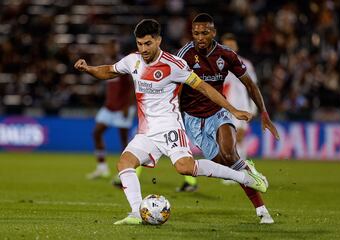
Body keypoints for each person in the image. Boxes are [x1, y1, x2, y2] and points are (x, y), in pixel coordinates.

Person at [74, 19, 268, 225]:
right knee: (124, 163)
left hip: (170, 128)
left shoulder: (174, 65)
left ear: (158, 40)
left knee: (185, 168)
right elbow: (109, 70)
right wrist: (89, 69)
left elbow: (204, 88)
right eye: (140, 44)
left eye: (148, 43)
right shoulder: (133, 60)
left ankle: (244, 177)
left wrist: (233, 109)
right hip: (147, 132)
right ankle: (136, 213)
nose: (143, 49)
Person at [176, 13, 279, 224]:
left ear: (213, 33)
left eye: (205, 33)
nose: (200, 37)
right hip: (193, 119)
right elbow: (173, 86)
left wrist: (265, 114)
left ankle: (262, 211)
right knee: (226, 168)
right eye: (196, 33)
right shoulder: (184, 55)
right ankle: (247, 170)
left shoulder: (226, 55)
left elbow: (250, 84)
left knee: (230, 154)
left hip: (218, 111)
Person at [221, 33, 258, 184]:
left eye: (232, 45)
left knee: (238, 139)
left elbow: (253, 87)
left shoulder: (246, 64)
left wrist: (253, 108)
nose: (229, 47)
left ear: (236, 46)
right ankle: (239, 173)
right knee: (228, 141)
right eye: (226, 45)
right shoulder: (217, 64)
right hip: (224, 108)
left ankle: (239, 173)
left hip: (241, 107)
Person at [86, 74, 137, 180]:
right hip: (109, 107)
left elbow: (133, 86)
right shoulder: (108, 65)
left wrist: (128, 105)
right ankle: (102, 168)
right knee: (96, 133)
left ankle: (125, 172)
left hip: (123, 108)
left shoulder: (123, 66)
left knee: (123, 140)